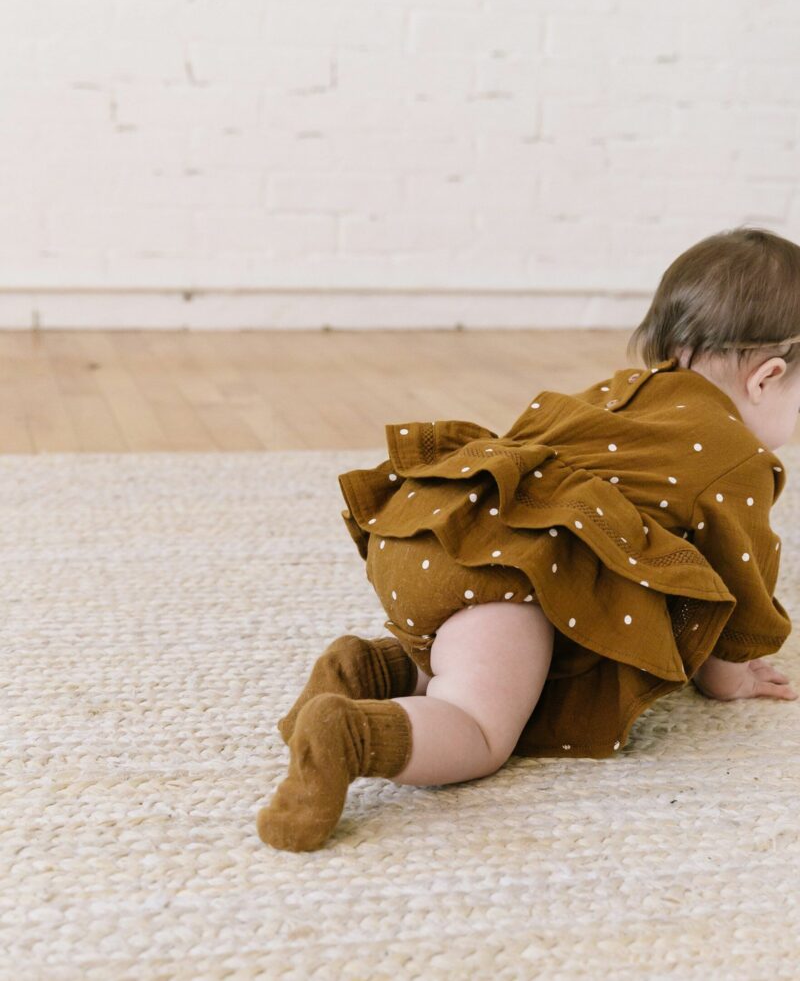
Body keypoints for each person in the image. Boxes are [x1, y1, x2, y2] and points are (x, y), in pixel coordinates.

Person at [258, 225, 800, 853]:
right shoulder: (736, 458)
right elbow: (738, 573)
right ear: (768, 377)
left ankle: (371, 667)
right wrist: (728, 676)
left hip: (432, 522)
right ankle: (349, 736)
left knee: (483, 665)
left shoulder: (621, 393)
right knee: (479, 728)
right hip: (511, 570)